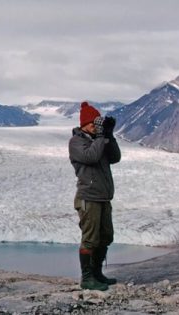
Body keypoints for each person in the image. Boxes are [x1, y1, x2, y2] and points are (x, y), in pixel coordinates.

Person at [69, 101, 121, 291]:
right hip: (88, 197)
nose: (95, 126)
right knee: (90, 238)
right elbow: (90, 157)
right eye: (93, 123)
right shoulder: (76, 142)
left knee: (106, 236)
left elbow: (115, 157)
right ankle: (87, 278)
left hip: (103, 197)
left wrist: (109, 135)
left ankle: (98, 273)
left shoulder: (98, 139)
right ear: (84, 123)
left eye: (97, 123)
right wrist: (100, 136)